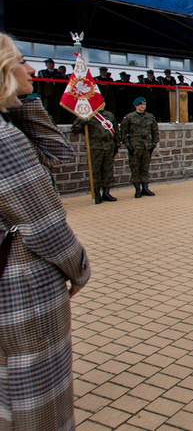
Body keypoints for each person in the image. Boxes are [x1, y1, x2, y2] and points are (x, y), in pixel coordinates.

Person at [0, 33, 91, 429]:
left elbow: (59, 152)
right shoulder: (4, 139)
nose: (31, 68)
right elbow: (42, 223)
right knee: (40, 406)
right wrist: (79, 267)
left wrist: (19, 104)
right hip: (25, 289)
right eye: (21, 61)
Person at [71, 110, 120, 203]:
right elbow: (74, 129)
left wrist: (117, 144)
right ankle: (96, 193)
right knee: (95, 171)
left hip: (108, 147)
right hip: (94, 148)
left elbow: (116, 130)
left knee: (108, 170)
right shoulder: (87, 115)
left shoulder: (109, 115)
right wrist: (82, 124)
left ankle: (106, 192)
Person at [120, 97, 160, 198]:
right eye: (141, 105)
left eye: (144, 104)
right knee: (135, 168)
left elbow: (155, 131)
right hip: (135, 146)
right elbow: (123, 132)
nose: (143, 106)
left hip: (146, 146)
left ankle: (145, 187)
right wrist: (128, 145)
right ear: (136, 106)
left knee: (145, 168)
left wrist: (153, 144)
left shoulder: (150, 117)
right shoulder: (129, 117)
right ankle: (137, 189)